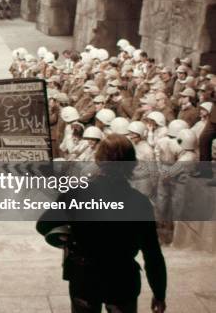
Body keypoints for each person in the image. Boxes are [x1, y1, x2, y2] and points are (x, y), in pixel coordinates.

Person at [37, 134, 167, 313]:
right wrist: (159, 293)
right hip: (122, 278)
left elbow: (43, 225)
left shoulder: (77, 194)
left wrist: (68, 237)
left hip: (85, 277)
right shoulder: (140, 202)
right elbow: (152, 254)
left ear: (98, 160)